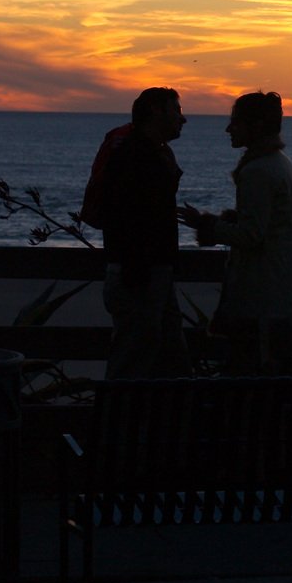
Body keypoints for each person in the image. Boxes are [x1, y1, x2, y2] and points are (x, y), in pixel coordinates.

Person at [178, 90, 292, 374]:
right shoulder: (280, 163)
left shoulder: (258, 171)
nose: (228, 129)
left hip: (261, 299)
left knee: (249, 375)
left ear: (257, 126)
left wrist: (207, 225)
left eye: (236, 122)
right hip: (282, 291)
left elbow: (251, 235)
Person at [100, 87, 192, 379]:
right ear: (155, 111)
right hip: (140, 276)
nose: (183, 119)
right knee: (134, 359)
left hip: (149, 274)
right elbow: (131, 219)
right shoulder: (137, 157)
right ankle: (117, 421)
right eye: (176, 110)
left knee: (166, 357)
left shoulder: (150, 154)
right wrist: (138, 273)